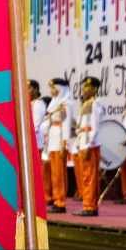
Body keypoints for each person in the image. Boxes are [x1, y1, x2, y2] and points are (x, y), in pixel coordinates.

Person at [72, 75, 103, 216]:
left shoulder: (95, 105)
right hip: (84, 144)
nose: (83, 89)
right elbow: (83, 128)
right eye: (83, 86)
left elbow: (95, 128)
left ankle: (91, 207)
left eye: (86, 86)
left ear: (95, 89)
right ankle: (87, 204)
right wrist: (80, 146)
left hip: (91, 145)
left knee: (90, 177)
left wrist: (89, 145)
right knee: (85, 176)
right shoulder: (86, 105)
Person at [41, 77, 71, 213]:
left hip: (59, 141)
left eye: (54, 88)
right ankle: (55, 199)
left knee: (60, 174)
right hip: (52, 140)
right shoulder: (54, 103)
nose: (52, 90)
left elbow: (66, 125)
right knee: (53, 174)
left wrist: (64, 145)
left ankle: (61, 201)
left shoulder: (65, 104)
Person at [28, 80, 50, 205]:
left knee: (39, 173)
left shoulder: (38, 104)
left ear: (36, 89)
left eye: (29, 87)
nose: (27, 90)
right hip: (32, 142)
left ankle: (42, 197)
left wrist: (28, 139)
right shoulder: (30, 103)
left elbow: (35, 125)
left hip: (35, 142)